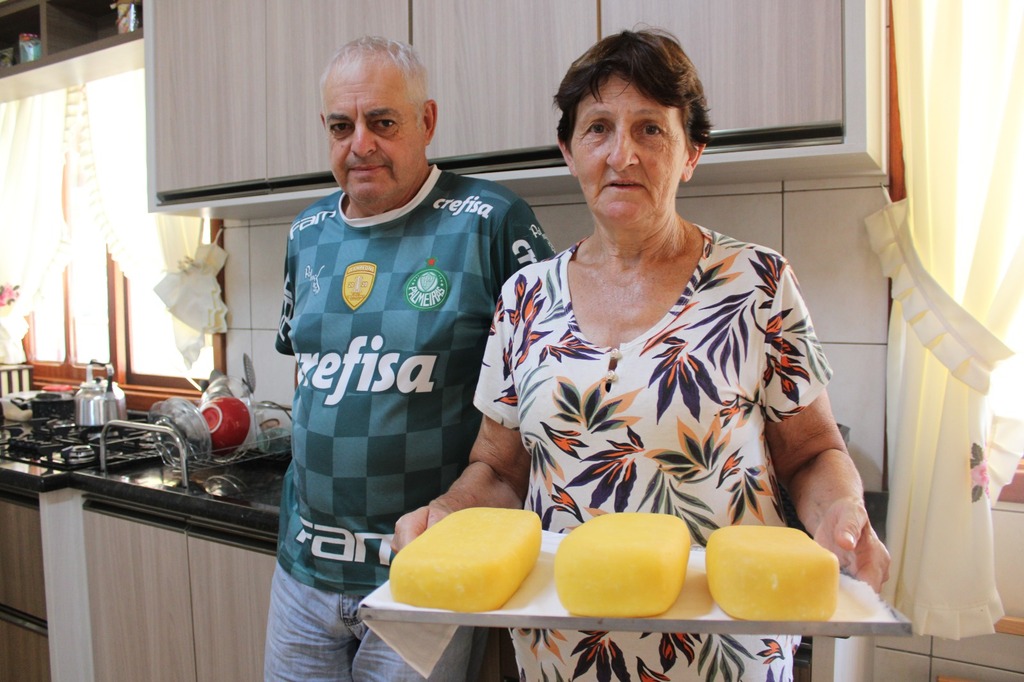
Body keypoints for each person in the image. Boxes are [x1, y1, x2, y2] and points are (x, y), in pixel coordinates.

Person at [394, 29, 891, 682]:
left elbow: (813, 452)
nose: (621, 153)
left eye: (651, 129)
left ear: (692, 152)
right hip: (563, 654)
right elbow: (499, 468)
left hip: (726, 653)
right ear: (569, 152)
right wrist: (450, 514)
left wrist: (842, 513)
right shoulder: (524, 299)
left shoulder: (756, 284)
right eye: (598, 128)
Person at [265, 36, 555, 681]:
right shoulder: (306, 232)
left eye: (382, 122)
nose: (360, 143)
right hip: (302, 571)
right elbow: (308, 377)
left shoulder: (491, 221)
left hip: (423, 578)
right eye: (342, 126)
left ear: (426, 121)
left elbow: (543, 393)